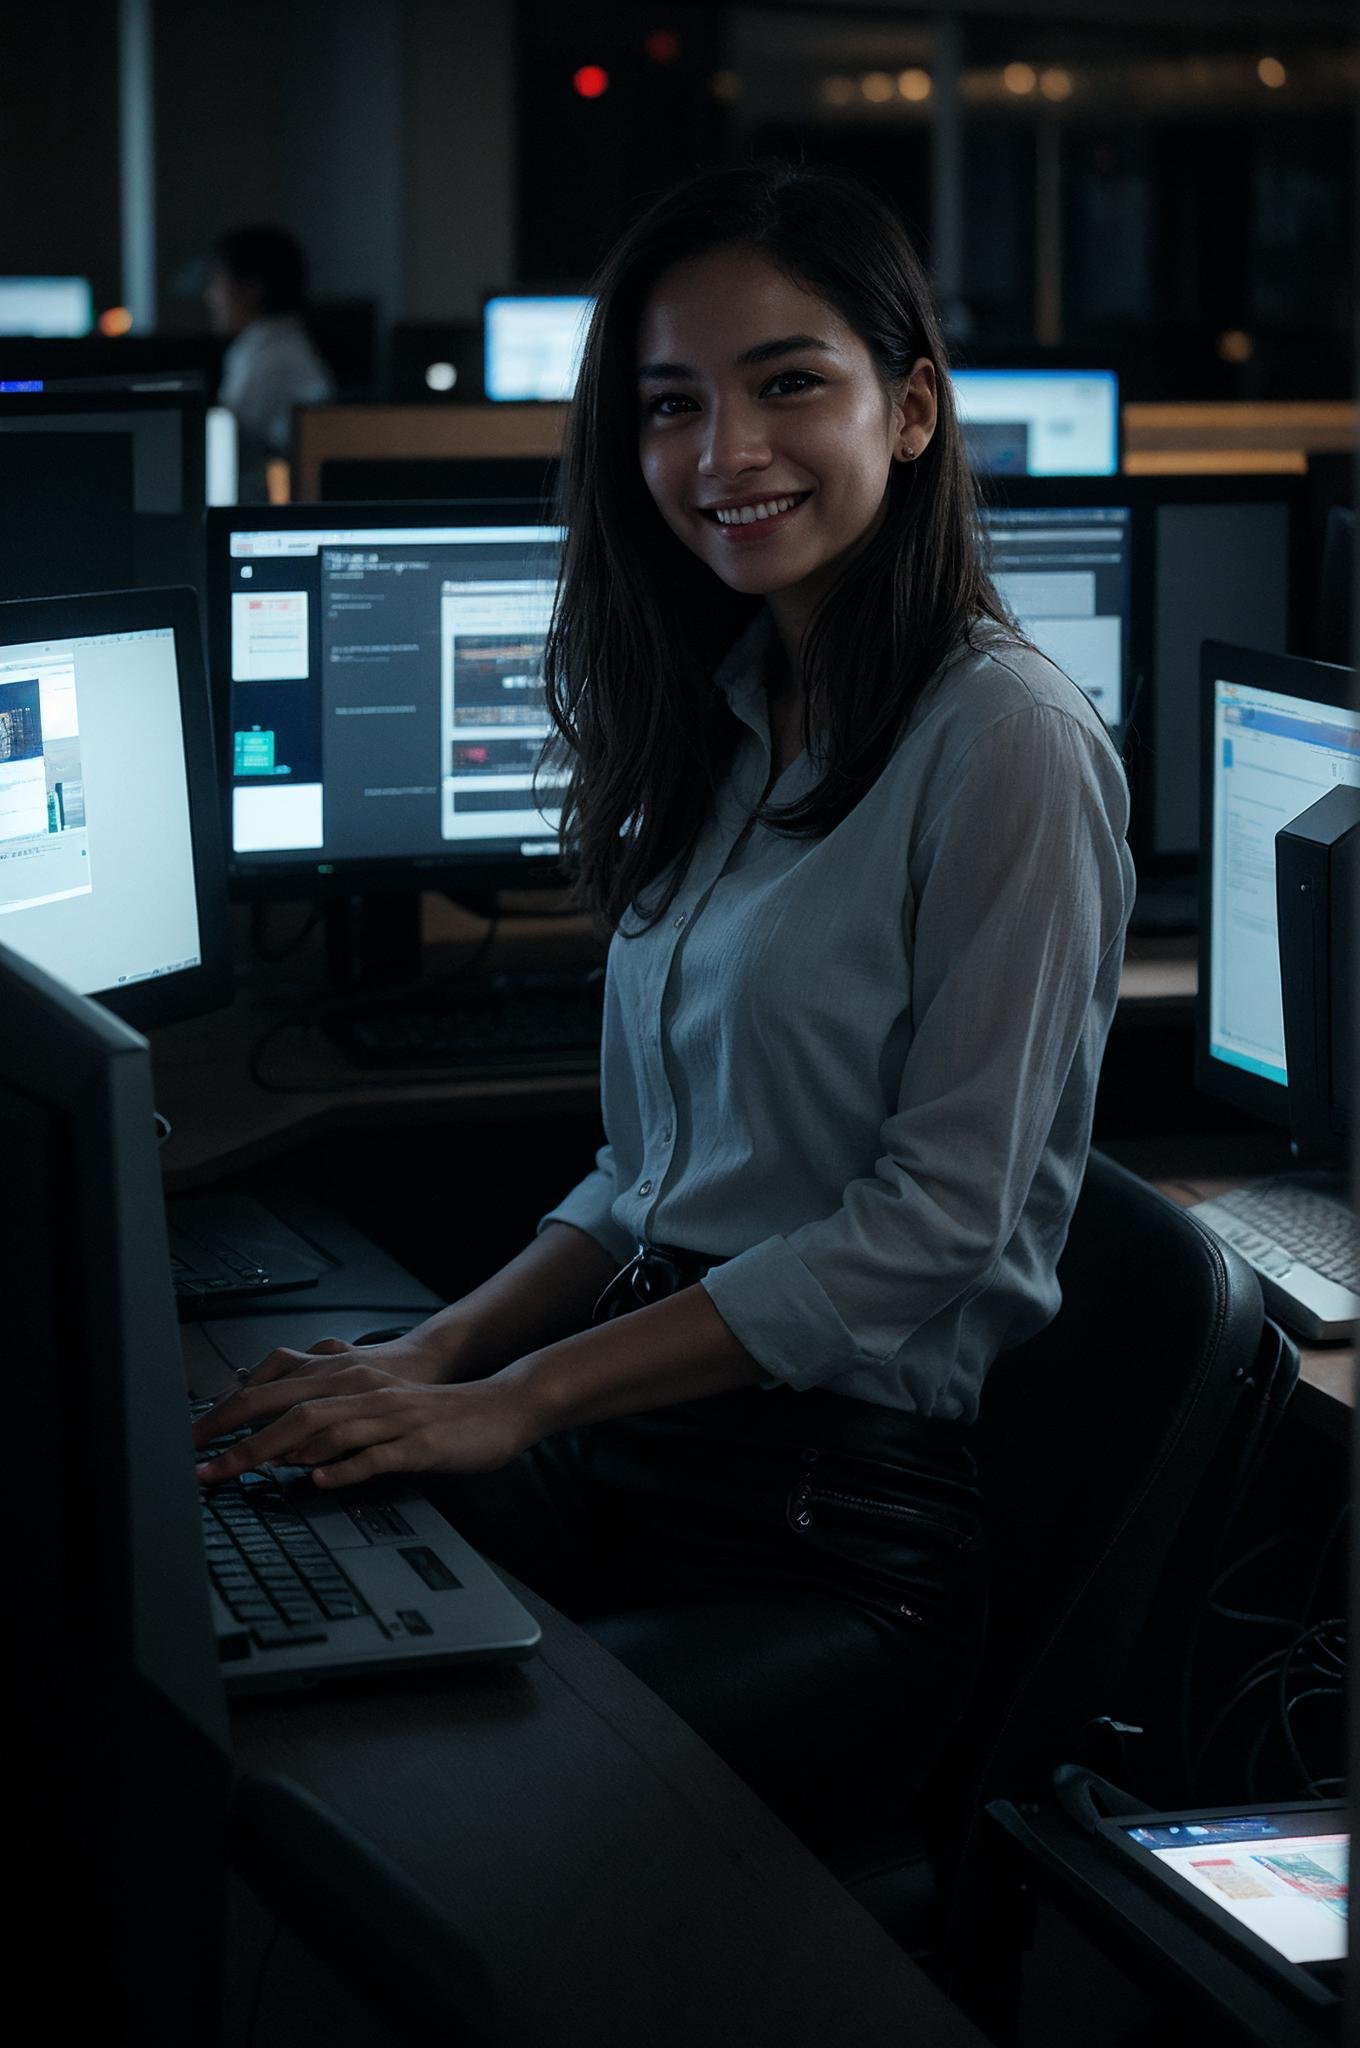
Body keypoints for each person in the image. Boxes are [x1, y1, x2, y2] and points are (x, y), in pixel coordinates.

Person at [193, 162, 1136, 1852]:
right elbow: (646, 1176)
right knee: (244, 1573)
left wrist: (525, 1396)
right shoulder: (733, 709)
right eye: (671, 404)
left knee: (415, 1807)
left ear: (910, 407)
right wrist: (443, 1347)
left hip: (833, 1537)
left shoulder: (1010, 742)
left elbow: (934, 1229)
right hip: (651, 1444)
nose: (725, 454)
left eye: (790, 383)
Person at [204, 224, 334, 501]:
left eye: (217, 282)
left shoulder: (274, 361)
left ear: (252, 289)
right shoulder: (261, 349)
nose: (211, 297)